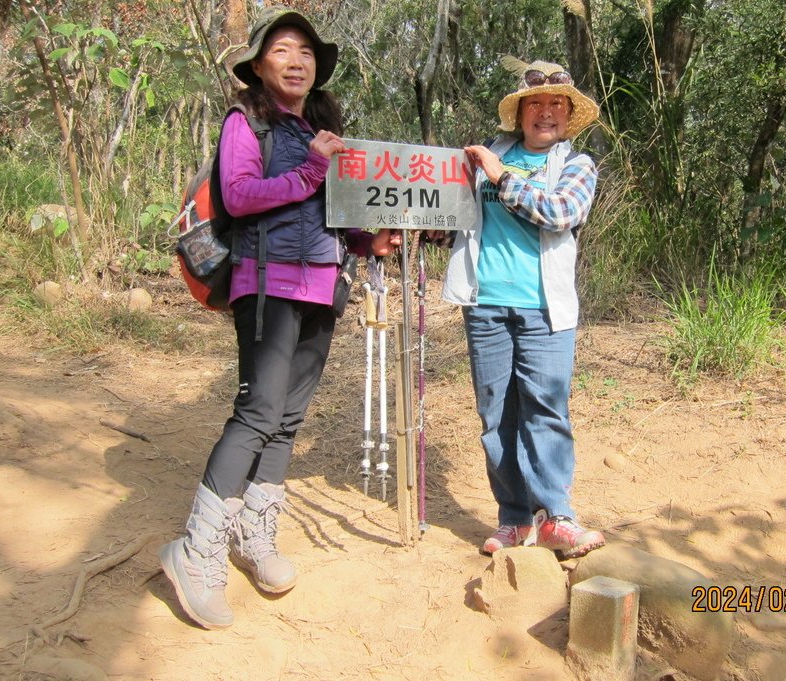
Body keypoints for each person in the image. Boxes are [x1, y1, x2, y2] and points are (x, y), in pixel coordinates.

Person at [159, 6, 398, 630]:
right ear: (259, 64)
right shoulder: (246, 122)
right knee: (258, 413)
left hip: (322, 288)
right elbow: (240, 196)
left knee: (288, 419)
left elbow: (333, 212)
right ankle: (196, 549)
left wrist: (364, 241)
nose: (297, 62)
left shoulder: (318, 133)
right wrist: (316, 166)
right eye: (284, 51)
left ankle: (254, 536)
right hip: (266, 285)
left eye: (307, 54)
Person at [438, 60, 605, 559]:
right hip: (485, 305)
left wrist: (500, 175)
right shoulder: (486, 157)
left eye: (557, 104)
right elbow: (450, 216)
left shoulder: (577, 166)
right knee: (495, 415)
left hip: (543, 310)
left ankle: (556, 517)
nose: (546, 112)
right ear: (521, 112)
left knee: (546, 411)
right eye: (537, 103)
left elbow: (560, 214)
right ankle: (513, 518)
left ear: (569, 114)